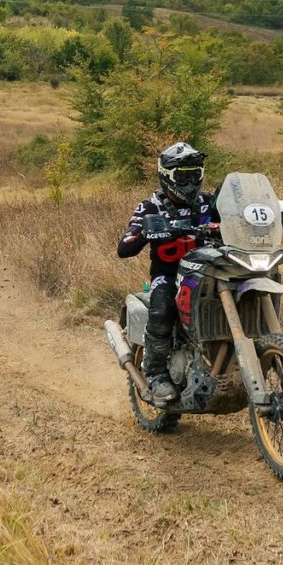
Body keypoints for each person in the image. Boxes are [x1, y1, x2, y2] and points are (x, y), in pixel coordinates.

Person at [116, 140, 218, 405]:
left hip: (210, 270)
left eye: (194, 174)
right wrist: (146, 231)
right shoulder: (150, 207)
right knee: (162, 307)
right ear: (167, 177)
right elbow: (124, 248)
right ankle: (157, 372)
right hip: (169, 274)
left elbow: (233, 218)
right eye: (183, 176)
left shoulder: (208, 202)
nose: (190, 181)